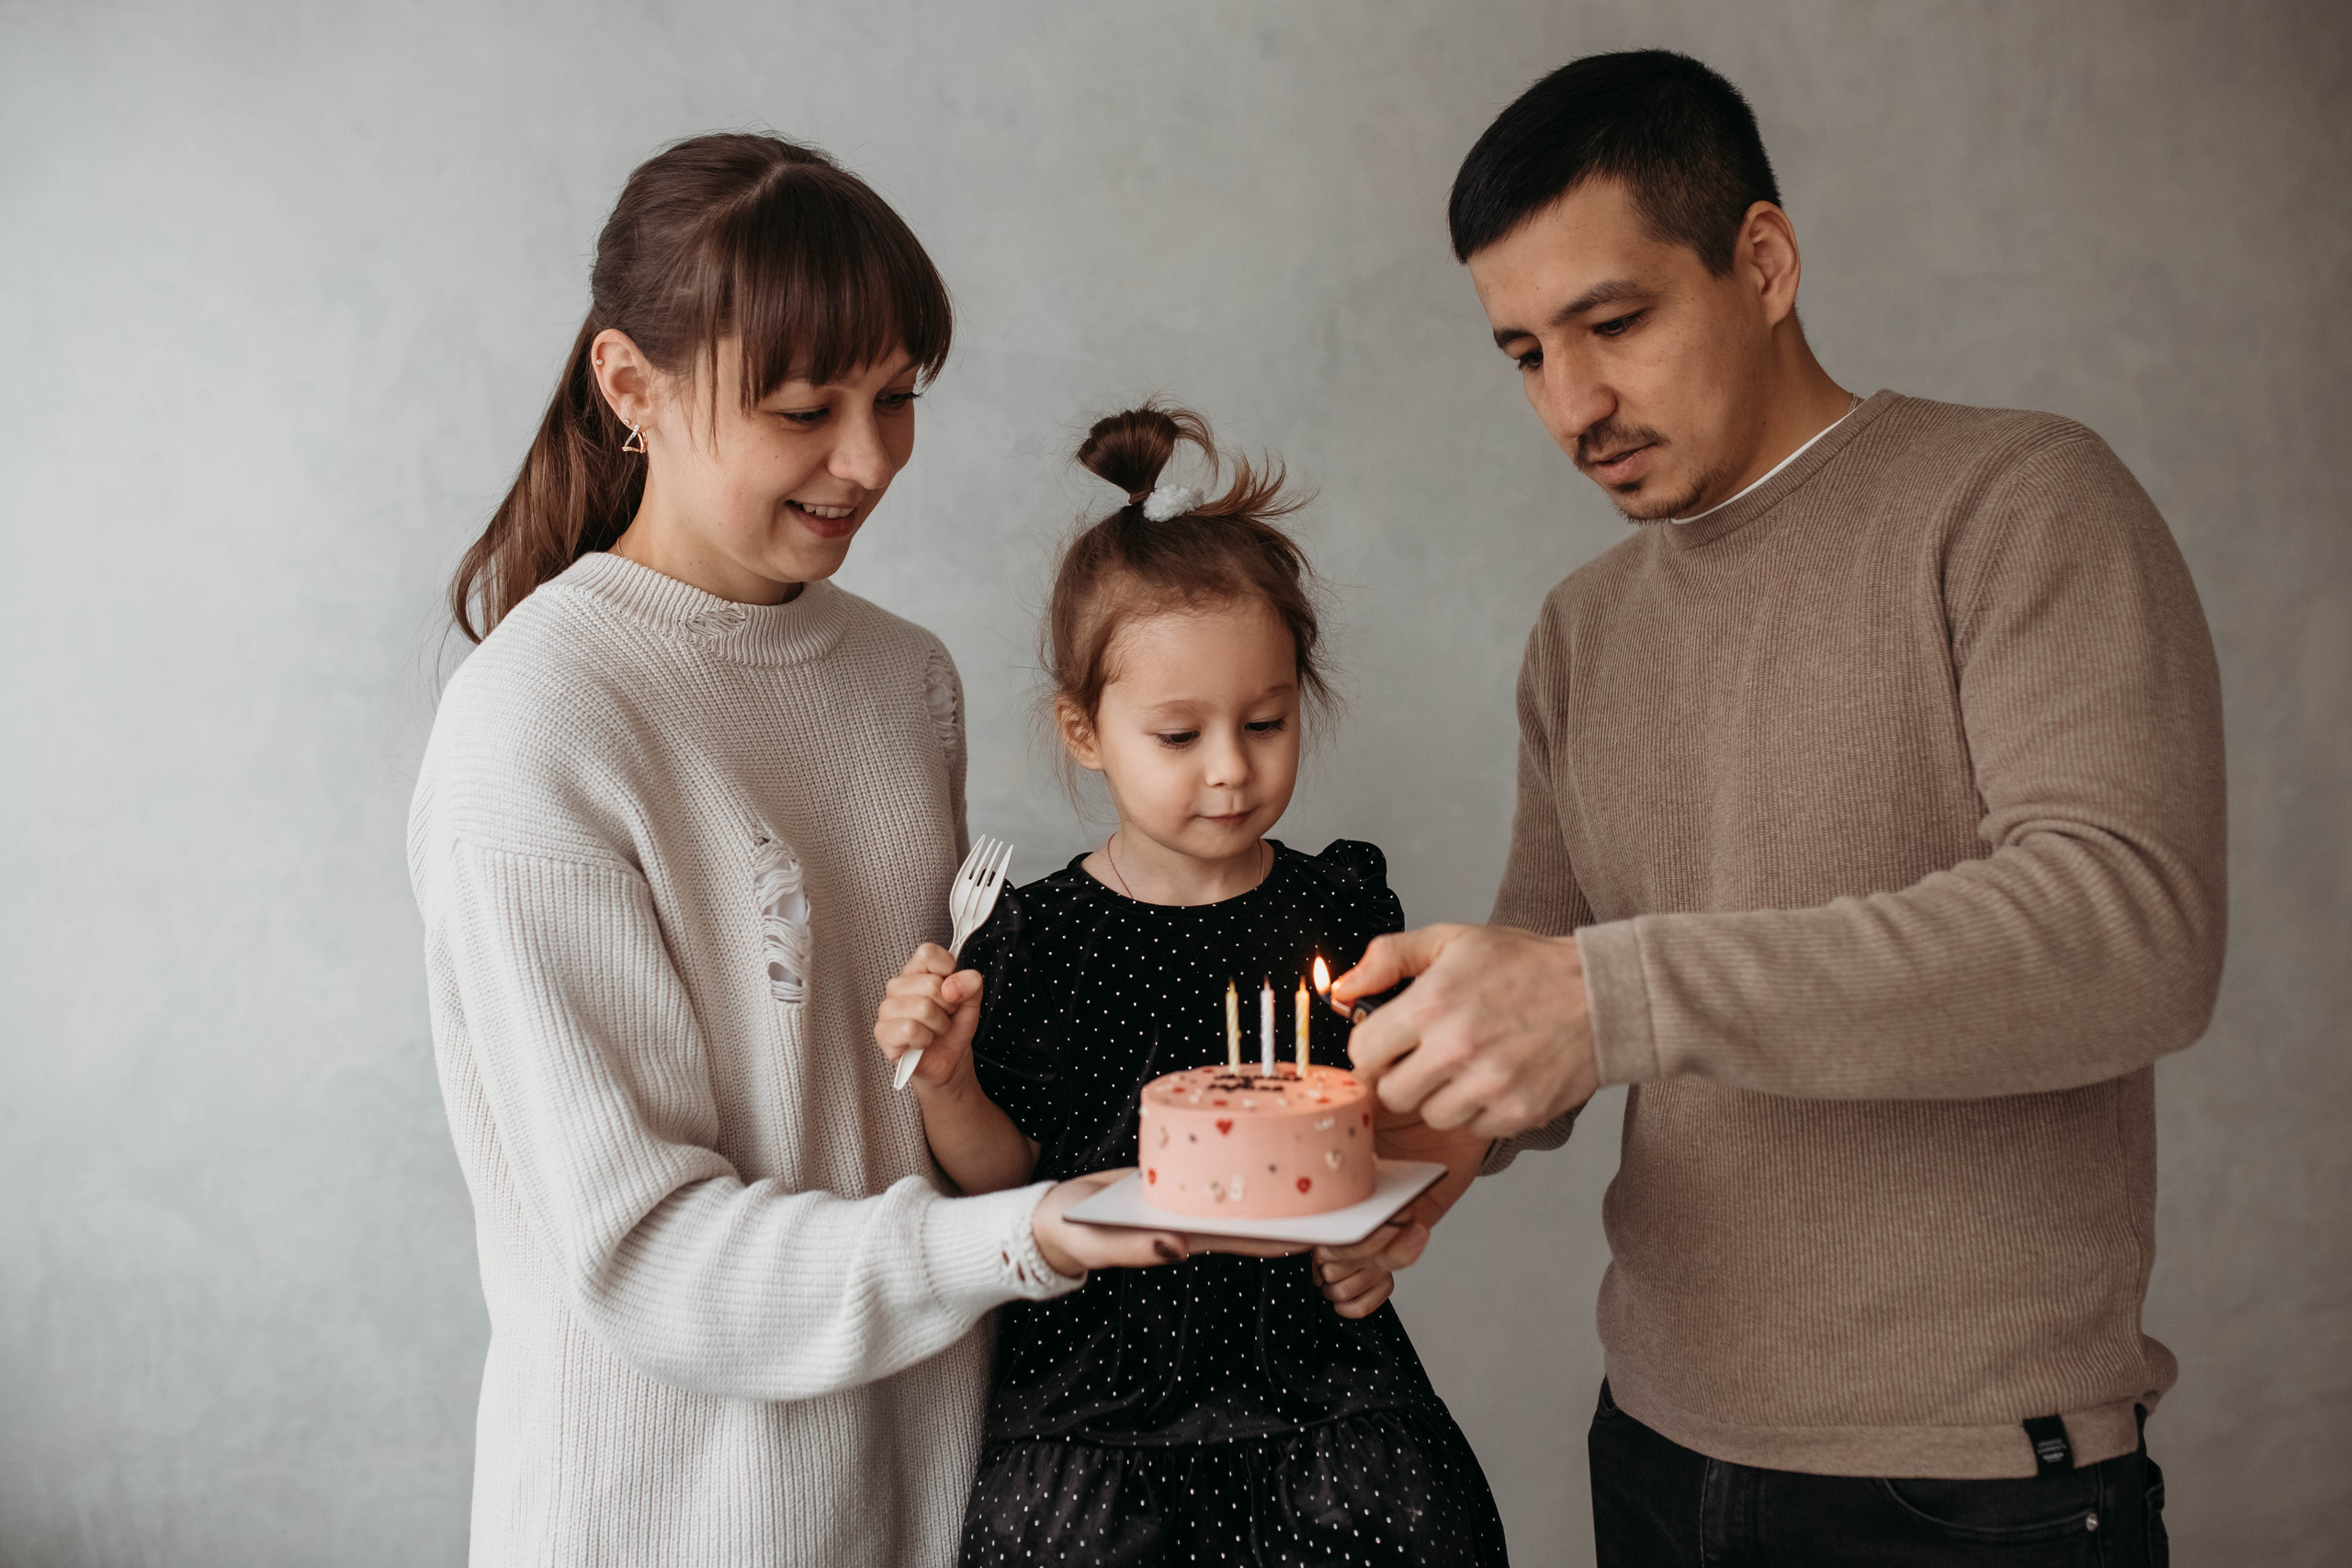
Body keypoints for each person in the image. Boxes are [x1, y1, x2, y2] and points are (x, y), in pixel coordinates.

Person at [1331, 51, 2221, 1564]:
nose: (1575, 401)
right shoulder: (1583, 626)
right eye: (1526, 352)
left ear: (1762, 260)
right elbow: (1566, 975)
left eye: (1615, 323)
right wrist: (1428, 1125)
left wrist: (1605, 998)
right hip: (1656, 1443)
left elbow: (2127, 927)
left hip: (1967, 1484)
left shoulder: (2017, 501)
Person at [410, 135, 1228, 1568]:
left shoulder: (904, 679)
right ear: (629, 387)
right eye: (805, 409)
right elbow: (646, 1253)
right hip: (664, 1522)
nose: (869, 460)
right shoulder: (534, 725)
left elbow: (917, 1099)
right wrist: (1028, 1238)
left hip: (937, 1504)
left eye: (897, 396)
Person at [873, 404, 1506, 1567]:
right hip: (1096, 1396)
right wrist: (949, 1082)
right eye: (1178, 735)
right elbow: (1007, 1177)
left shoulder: (1340, 908)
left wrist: (1400, 1219)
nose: (1231, 768)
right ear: (1084, 730)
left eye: (1264, 721)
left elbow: (1416, 1112)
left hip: (1320, 1378)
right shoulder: (1038, 936)